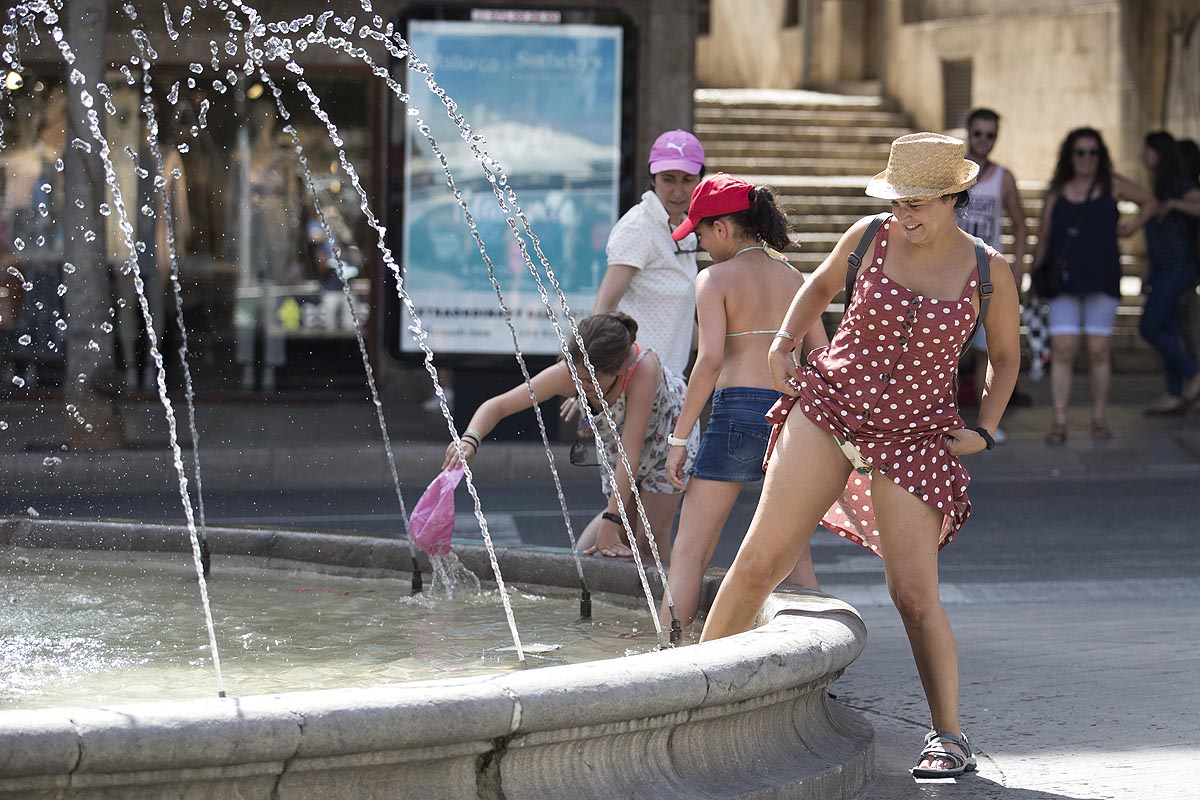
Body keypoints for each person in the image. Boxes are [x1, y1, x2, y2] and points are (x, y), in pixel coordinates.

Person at [699, 133, 1020, 778]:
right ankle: (694, 694)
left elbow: (1007, 358)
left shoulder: (989, 271)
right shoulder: (870, 235)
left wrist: (985, 428)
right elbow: (816, 288)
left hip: (913, 436)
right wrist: (784, 342)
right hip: (829, 408)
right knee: (760, 559)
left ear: (955, 198)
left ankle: (948, 736)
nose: (908, 215)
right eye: (900, 201)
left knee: (912, 594)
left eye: (922, 203)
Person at [655, 173, 829, 633]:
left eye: (700, 233)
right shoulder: (797, 279)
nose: (700, 244)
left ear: (724, 229)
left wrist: (679, 437)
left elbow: (709, 360)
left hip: (734, 413)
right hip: (789, 417)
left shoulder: (713, 279)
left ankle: (667, 655)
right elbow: (822, 358)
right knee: (792, 553)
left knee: (691, 549)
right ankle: (813, 661)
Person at [443, 312, 698, 562]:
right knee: (616, 532)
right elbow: (497, 406)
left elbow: (629, 451)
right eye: (576, 377)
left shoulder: (643, 368)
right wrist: (470, 440)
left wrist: (611, 521)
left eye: (588, 380)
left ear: (619, 368)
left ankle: (672, 600)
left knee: (647, 538)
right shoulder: (570, 374)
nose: (580, 386)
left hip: (667, 442)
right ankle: (577, 577)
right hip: (619, 444)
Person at [1032, 128, 1157, 444]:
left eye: (1093, 152)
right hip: (1063, 281)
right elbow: (1044, 235)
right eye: (1080, 152)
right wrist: (1035, 272)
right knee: (1063, 349)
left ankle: (1099, 417)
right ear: (1069, 156)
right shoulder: (1057, 191)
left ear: (1100, 157)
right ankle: (1059, 420)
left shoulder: (1111, 185)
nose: (1087, 159)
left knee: (1098, 350)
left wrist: (1133, 226)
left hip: (1101, 277)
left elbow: (1150, 202)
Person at [591, 130, 706, 377]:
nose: (677, 190)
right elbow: (604, 307)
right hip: (630, 378)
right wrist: (586, 379)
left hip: (670, 382)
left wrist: (719, 354)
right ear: (652, 179)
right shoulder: (638, 227)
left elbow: (681, 312)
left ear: (700, 180)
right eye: (668, 179)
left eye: (687, 179)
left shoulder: (685, 228)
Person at [959, 108, 1030, 426]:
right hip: (953, 269)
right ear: (968, 133)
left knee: (989, 347)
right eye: (979, 133)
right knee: (949, 345)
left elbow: (1020, 226)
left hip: (989, 272)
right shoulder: (954, 172)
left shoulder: (1004, 177)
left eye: (991, 135)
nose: (985, 140)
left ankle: (988, 421)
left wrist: (1017, 270)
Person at [1135, 132, 1200, 414]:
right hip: (1162, 268)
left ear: (1159, 153)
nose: (1143, 155)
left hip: (1179, 267)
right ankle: (1174, 393)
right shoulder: (1159, 186)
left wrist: (1174, 204)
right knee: (1167, 329)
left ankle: (1193, 375)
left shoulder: (1178, 184)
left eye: (1147, 149)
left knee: (1149, 326)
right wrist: (1148, 269)